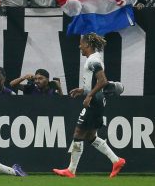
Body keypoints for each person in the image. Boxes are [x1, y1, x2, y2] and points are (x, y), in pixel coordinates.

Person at [53, 33, 126, 178]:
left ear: (87, 44)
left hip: (95, 102)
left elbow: (102, 81)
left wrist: (90, 95)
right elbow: (96, 82)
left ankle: (71, 170)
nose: (79, 46)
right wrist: (83, 90)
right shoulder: (95, 58)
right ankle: (116, 161)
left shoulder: (92, 60)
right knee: (91, 136)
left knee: (78, 133)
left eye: (81, 44)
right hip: (98, 101)